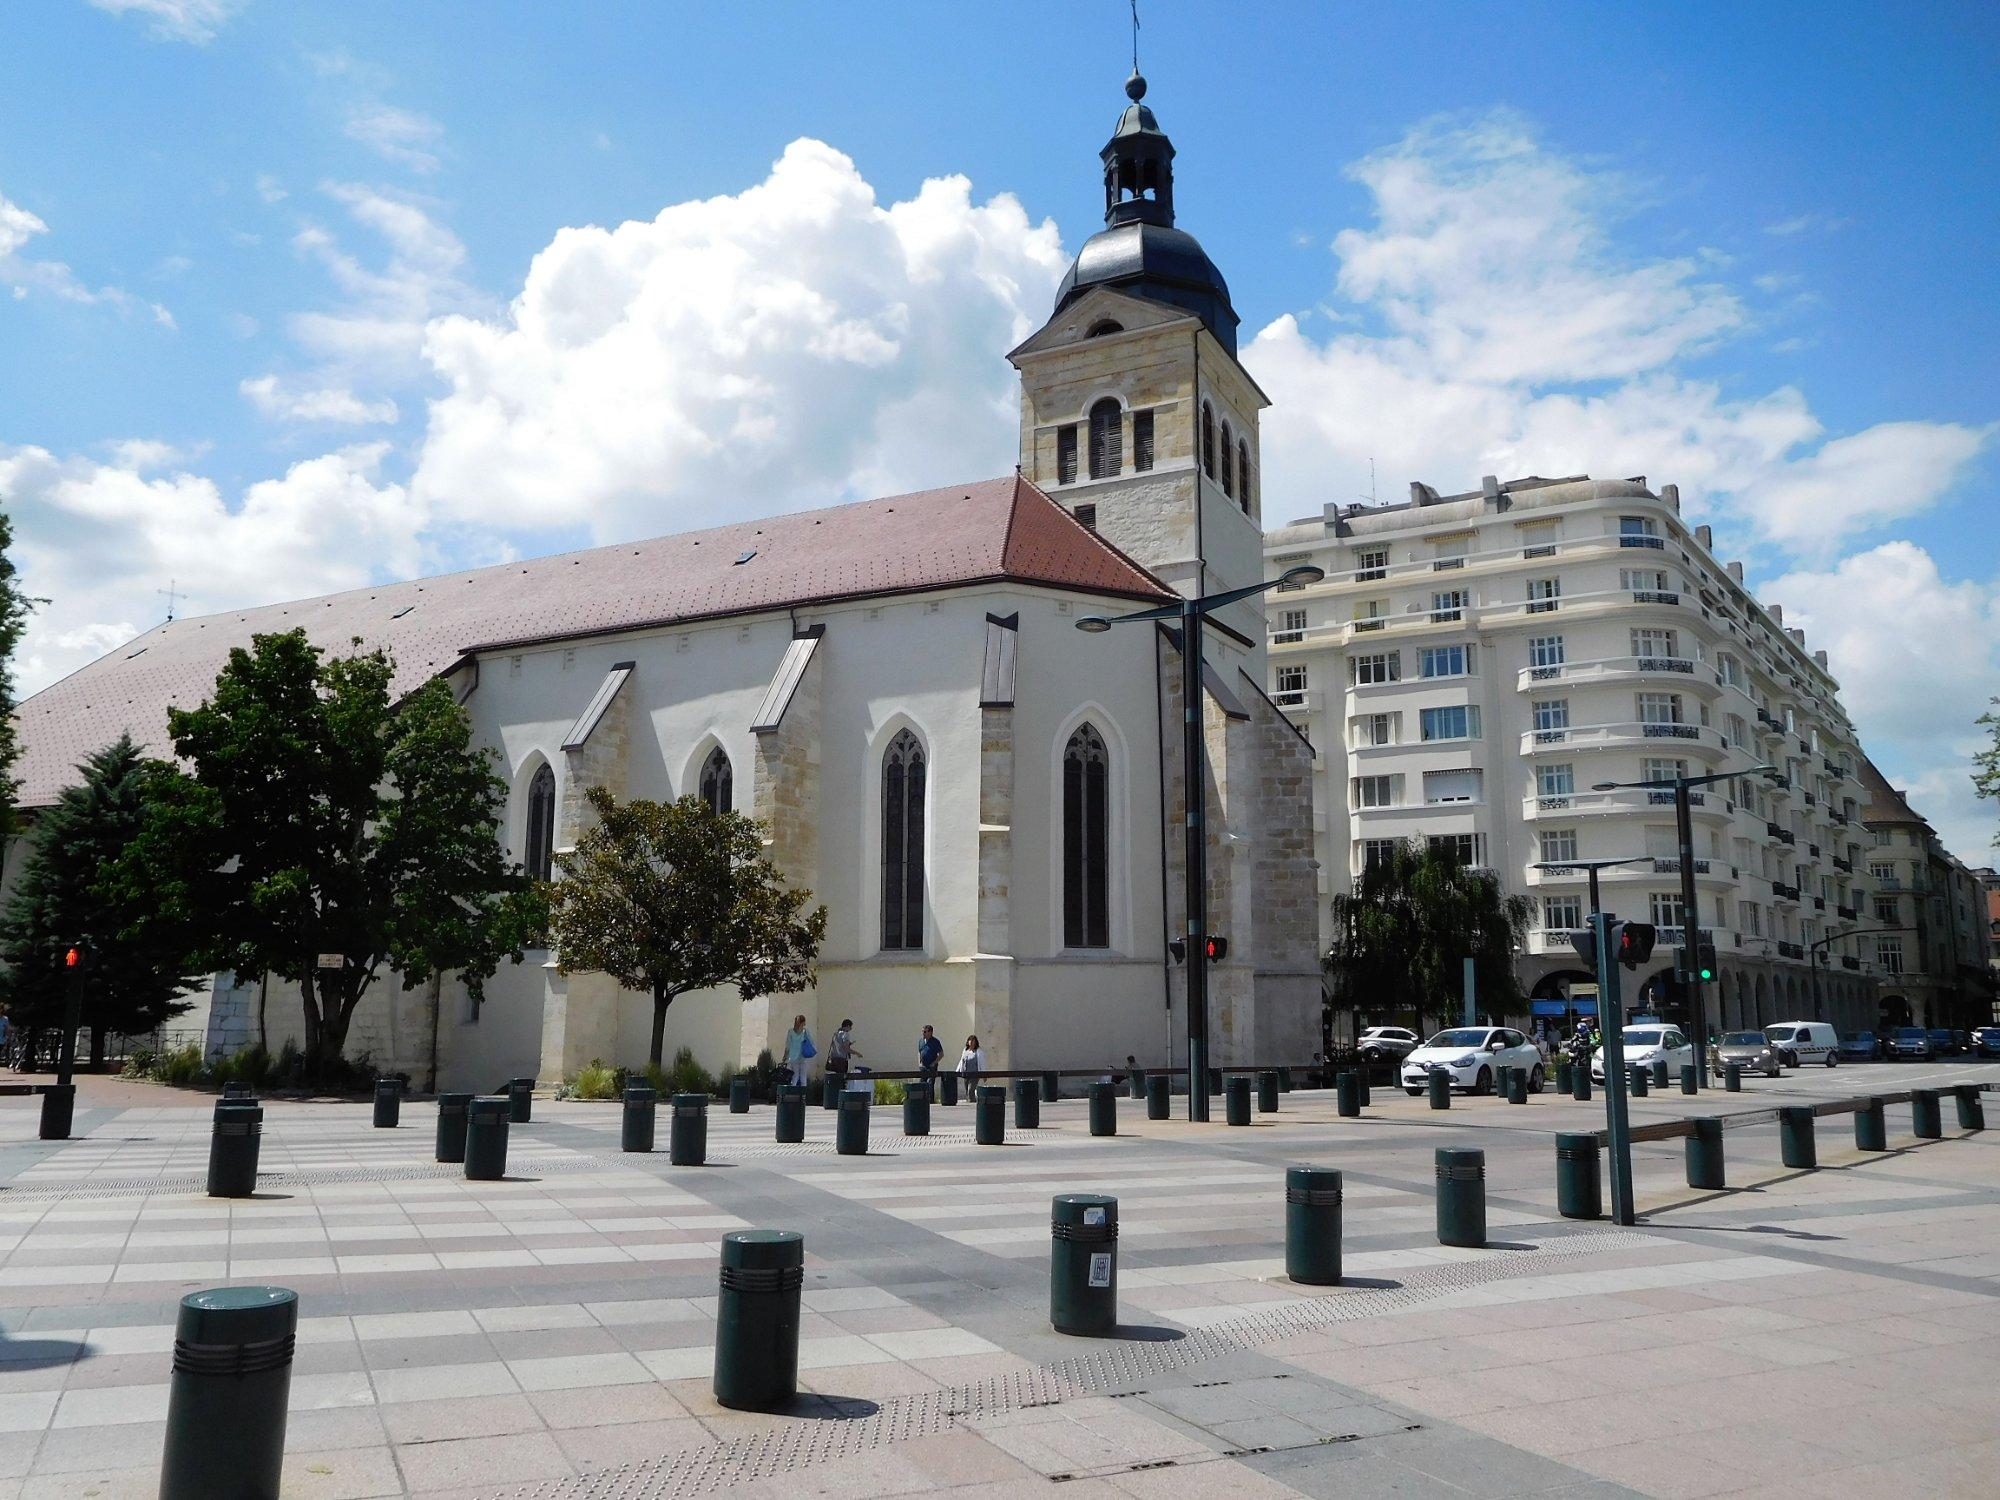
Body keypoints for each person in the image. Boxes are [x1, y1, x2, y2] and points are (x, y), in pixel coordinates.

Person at [782, 1014, 814, 1090]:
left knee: (795, 1076)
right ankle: (803, 1095)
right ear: (803, 1023)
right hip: (803, 1056)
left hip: (794, 1057)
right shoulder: (805, 1032)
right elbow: (811, 1042)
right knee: (802, 1077)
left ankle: (792, 1093)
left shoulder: (791, 1031)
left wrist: (785, 1056)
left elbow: (788, 1045)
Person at [828, 1018, 860, 1085]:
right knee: (841, 1079)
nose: (851, 1029)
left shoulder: (836, 1034)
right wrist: (857, 1053)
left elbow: (836, 1046)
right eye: (850, 1027)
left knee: (835, 1079)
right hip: (841, 1060)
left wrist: (848, 1044)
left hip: (833, 1059)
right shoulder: (845, 1034)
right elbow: (846, 1049)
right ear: (847, 1026)